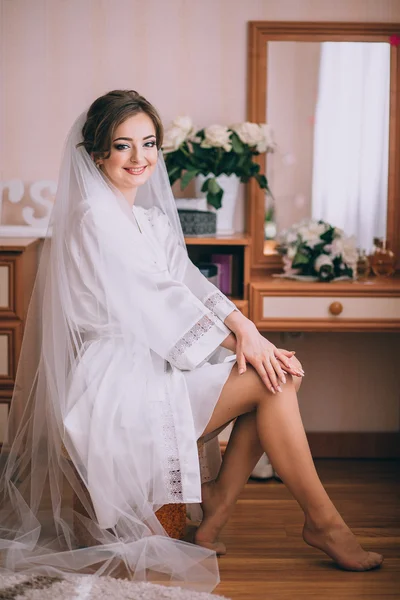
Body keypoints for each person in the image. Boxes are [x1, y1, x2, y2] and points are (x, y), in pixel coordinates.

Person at [0, 90, 382, 592]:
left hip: (157, 356)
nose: (140, 158)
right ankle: (305, 521)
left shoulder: (149, 218)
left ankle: (237, 513)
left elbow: (186, 281)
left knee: (275, 375)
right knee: (276, 379)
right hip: (116, 377)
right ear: (97, 154)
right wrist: (244, 343)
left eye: (149, 143)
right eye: (122, 146)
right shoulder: (95, 218)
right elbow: (156, 300)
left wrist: (247, 330)